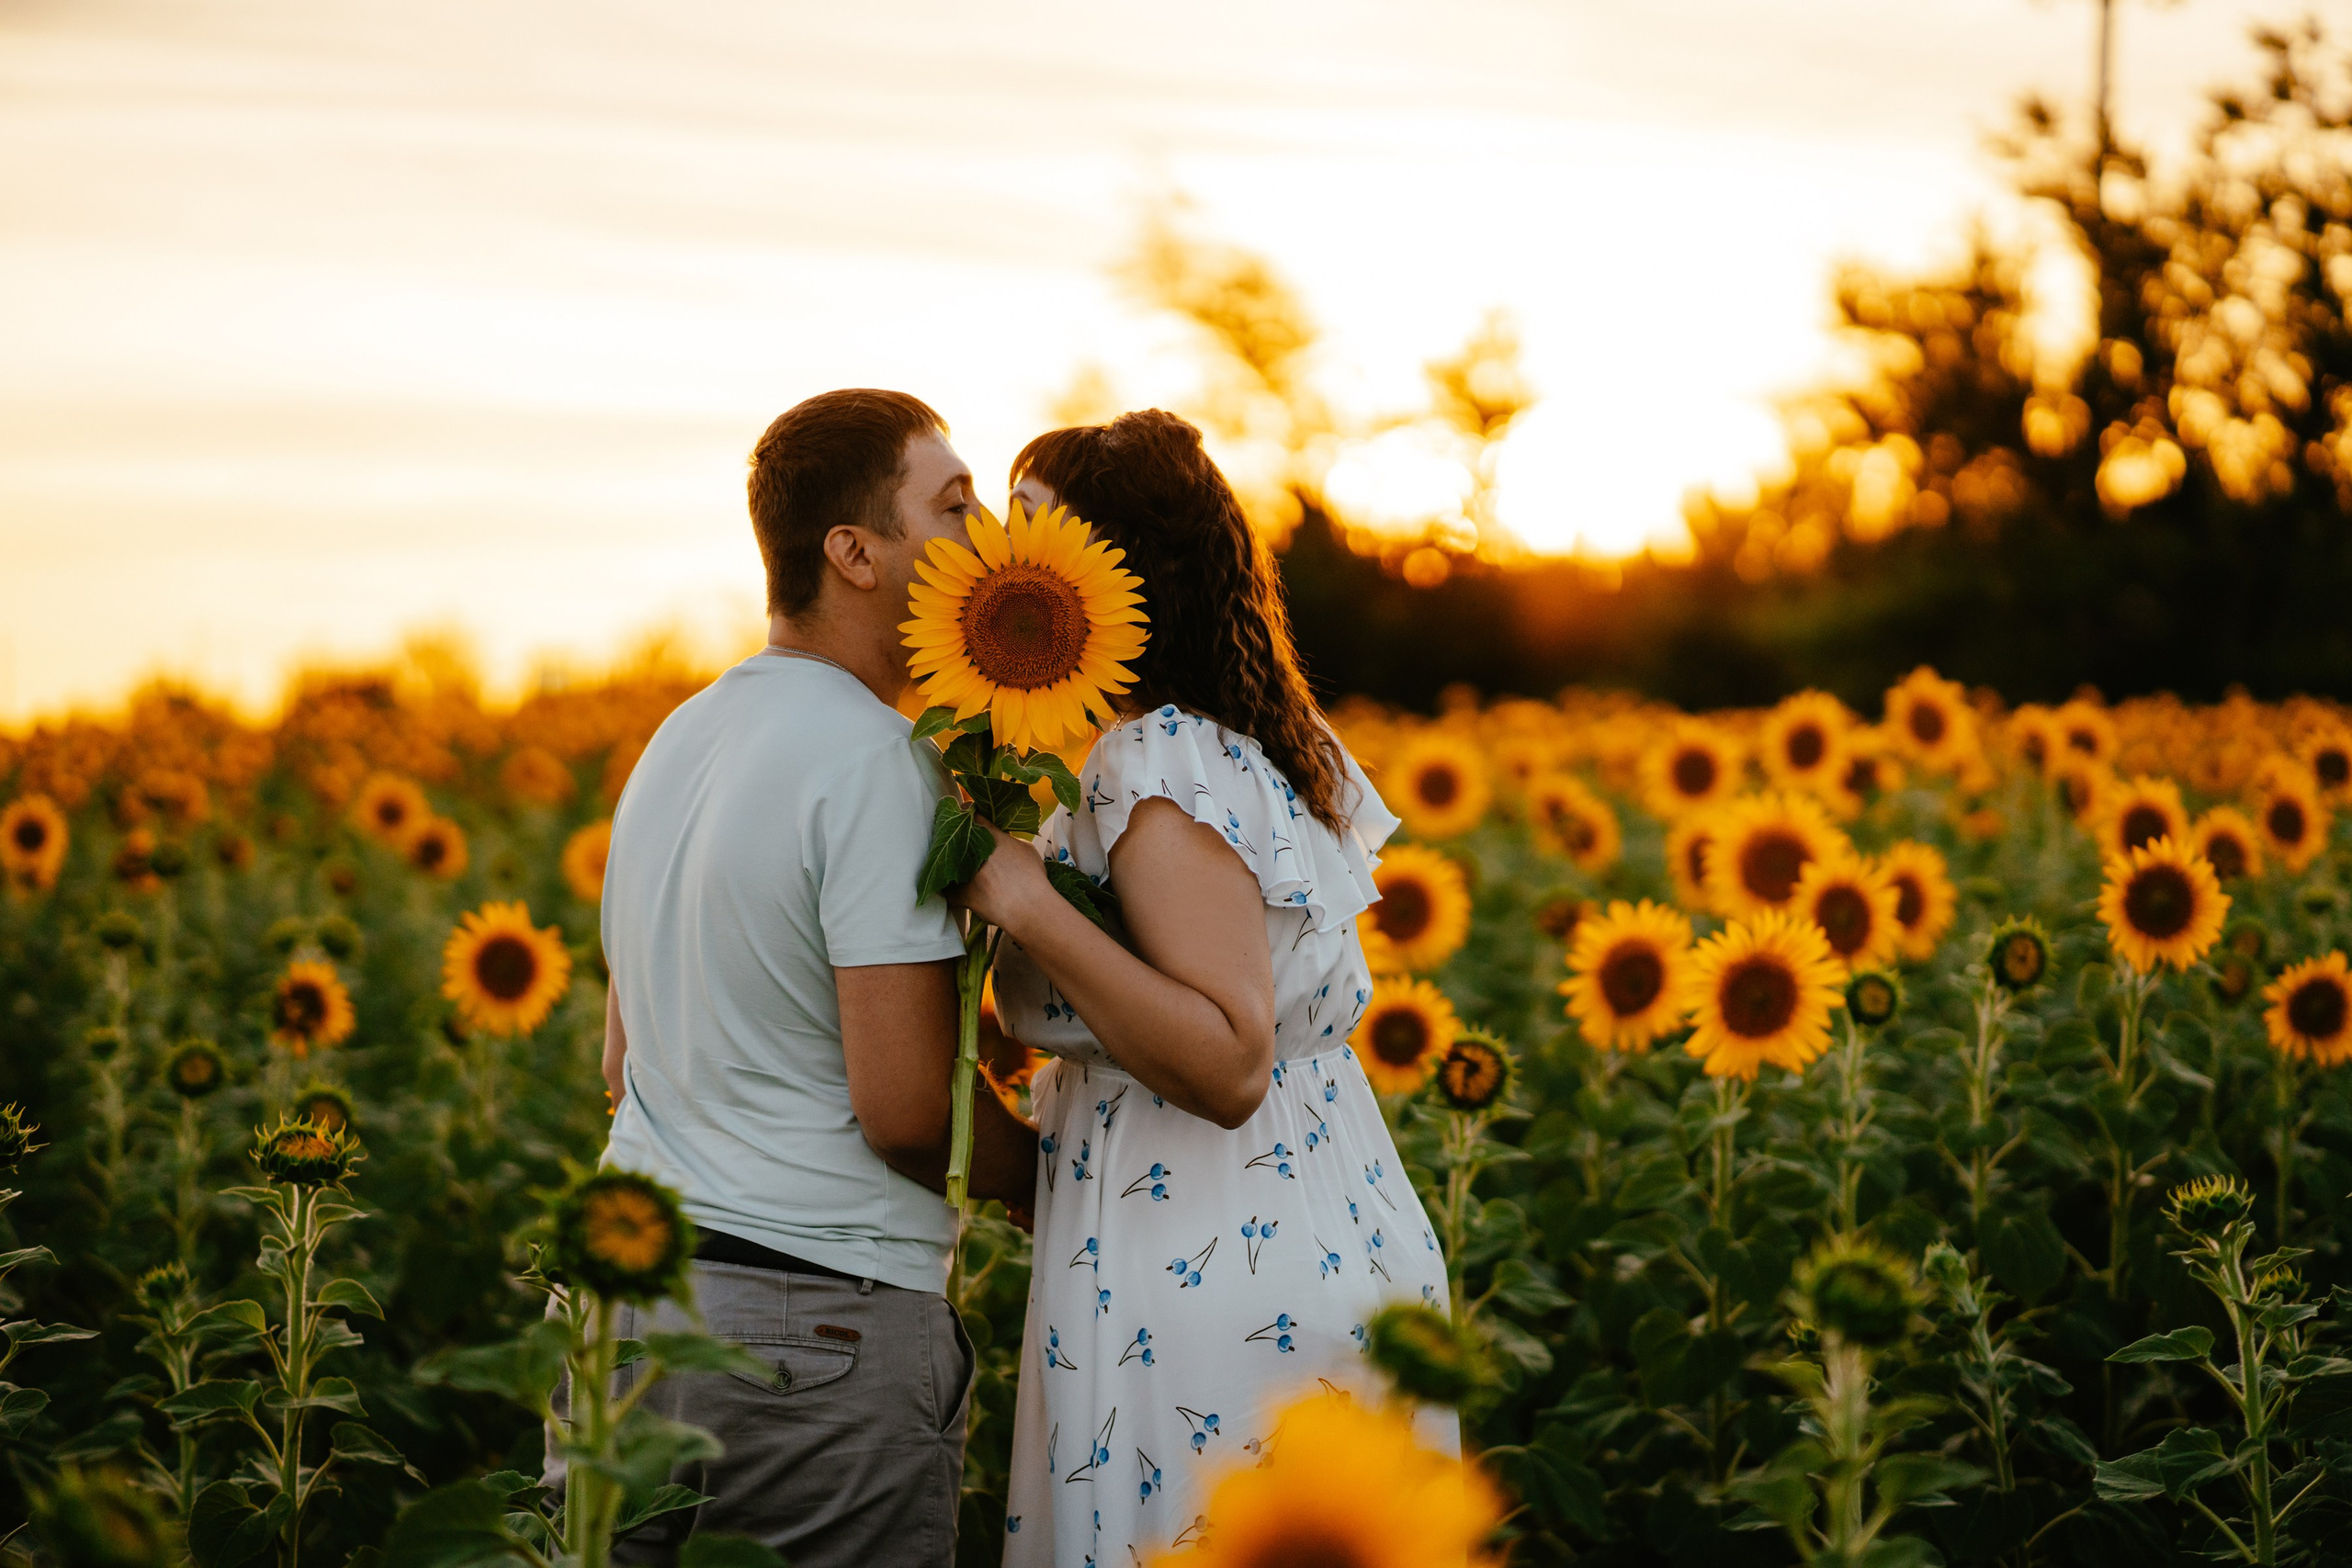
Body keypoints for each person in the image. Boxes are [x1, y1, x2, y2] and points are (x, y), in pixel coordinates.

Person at [958, 410, 1455, 1567]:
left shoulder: (1159, 756)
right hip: (1298, 1215)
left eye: (1036, 534)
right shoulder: (1229, 740)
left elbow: (1227, 1057)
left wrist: (1021, 900)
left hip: (1204, 1235)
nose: (1003, 564)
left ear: (1117, 571)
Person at [590, 389, 1038, 1568]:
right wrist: (1049, 1180)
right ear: (854, 552)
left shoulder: (677, 742)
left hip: (624, 1316)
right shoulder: (874, 761)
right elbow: (903, 1113)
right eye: (951, 505)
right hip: (811, 1329)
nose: (987, 531)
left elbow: (619, 1064)